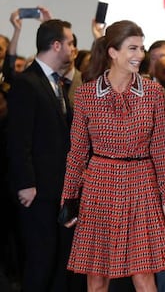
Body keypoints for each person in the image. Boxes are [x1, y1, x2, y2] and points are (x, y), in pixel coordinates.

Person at [61, 20, 165, 292]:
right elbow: (76, 153)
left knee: (144, 274)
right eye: (132, 48)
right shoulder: (87, 94)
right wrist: (69, 197)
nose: (140, 55)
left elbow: (159, 150)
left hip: (141, 185)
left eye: (142, 48)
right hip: (99, 186)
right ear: (112, 52)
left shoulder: (153, 93)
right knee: (97, 276)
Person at [7, 19, 77, 292]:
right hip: (38, 191)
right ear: (56, 45)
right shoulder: (28, 83)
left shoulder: (56, 82)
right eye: (70, 42)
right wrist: (26, 183)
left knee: (61, 261)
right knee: (41, 261)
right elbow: (18, 139)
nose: (73, 48)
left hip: (59, 188)